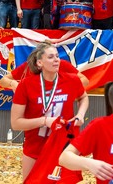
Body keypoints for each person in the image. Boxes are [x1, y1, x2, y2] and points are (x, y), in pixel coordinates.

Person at [10, 42, 89, 180]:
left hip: (63, 146)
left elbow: (83, 97)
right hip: (35, 146)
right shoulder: (26, 85)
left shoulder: (72, 80)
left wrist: (80, 115)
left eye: (57, 56)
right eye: (51, 57)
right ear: (39, 63)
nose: (56, 60)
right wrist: (45, 121)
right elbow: (16, 123)